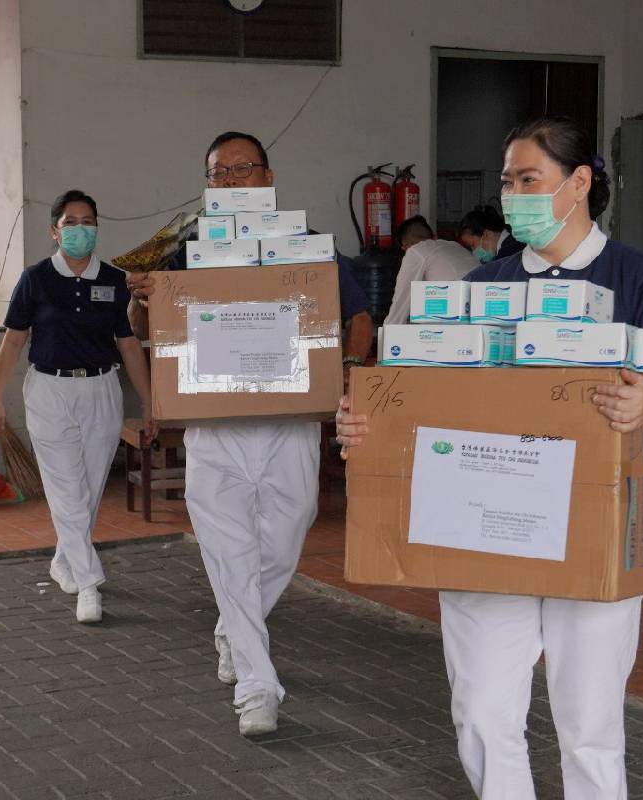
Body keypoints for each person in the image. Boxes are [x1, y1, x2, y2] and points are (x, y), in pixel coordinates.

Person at [336, 116, 643, 799]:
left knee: (589, 725)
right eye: (507, 181)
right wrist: (367, 423)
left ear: (580, 184)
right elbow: (423, 395)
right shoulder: (484, 287)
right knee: (481, 715)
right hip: (485, 527)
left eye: (528, 179)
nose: (513, 194)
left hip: (590, 535)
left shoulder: (640, 278)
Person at [126, 131, 372, 737]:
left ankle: (235, 626)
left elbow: (358, 318)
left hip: (287, 423)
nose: (231, 181)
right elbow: (146, 325)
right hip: (215, 427)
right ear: (208, 185)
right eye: (219, 173)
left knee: (286, 535)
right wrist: (141, 298)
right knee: (231, 552)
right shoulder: (187, 251)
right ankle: (259, 690)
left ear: (268, 176)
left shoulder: (309, 246)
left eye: (243, 169)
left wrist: (346, 376)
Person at [0, 189, 156, 626]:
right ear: (55, 231)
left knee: (89, 489)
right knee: (64, 488)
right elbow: (13, 341)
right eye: (71, 222)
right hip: (49, 391)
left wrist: (152, 401)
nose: (81, 229)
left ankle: (65, 560)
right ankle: (88, 583)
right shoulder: (36, 279)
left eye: (88, 221)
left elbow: (129, 345)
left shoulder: (115, 281)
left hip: (101, 389)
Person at [383, 215, 479, 325]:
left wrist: (385, 336)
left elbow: (400, 305)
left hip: (457, 322)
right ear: (434, 237)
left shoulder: (416, 251)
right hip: (482, 315)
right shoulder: (455, 246)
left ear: (405, 247)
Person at [457, 204, 523, 263]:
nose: (473, 251)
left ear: (487, 234)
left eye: (472, 245)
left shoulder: (509, 253)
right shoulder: (511, 243)